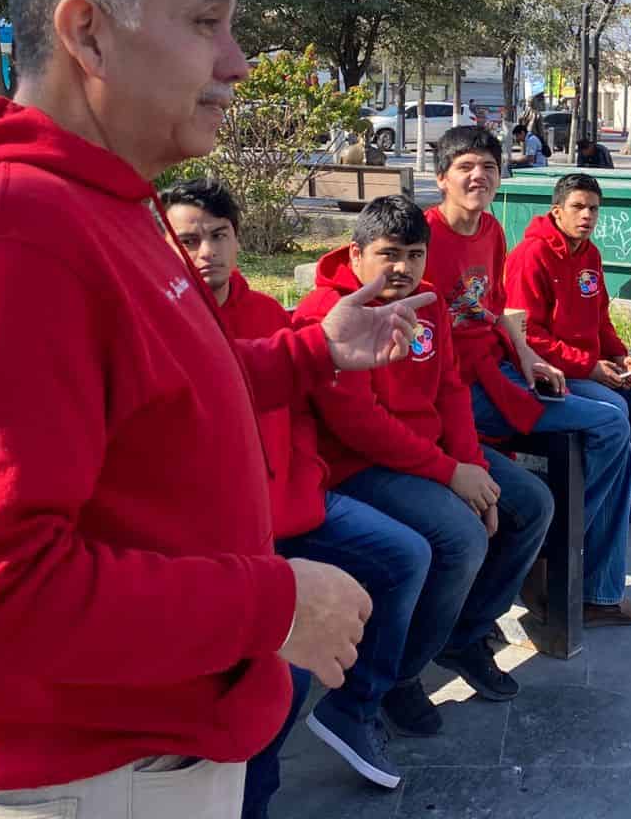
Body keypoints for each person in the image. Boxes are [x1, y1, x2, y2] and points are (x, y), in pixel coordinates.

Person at [0, 0, 430, 818]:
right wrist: (270, 607)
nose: (237, 64)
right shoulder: (15, 234)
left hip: (148, 743)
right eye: (208, 23)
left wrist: (310, 353)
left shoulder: (98, 201)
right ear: (88, 35)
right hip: (100, 769)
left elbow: (147, 395)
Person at [161, 177, 430, 803]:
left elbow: (301, 407)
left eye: (219, 235)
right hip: (227, 534)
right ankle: (256, 789)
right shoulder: (161, 327)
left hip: (300, 501)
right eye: (190, 239)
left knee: (408, 554)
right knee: (276, 680)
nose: (208, 252)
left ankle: (358, 704)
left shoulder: (264, 316)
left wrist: (304, 472)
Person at [295, 196, 555, 738]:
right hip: (357, 467)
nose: (403, 269)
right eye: (389, 255)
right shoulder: (329, 311)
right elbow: (357, 425)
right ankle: (397, 676)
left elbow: (451, 388)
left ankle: (464, 636)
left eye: (415, 255)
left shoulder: (426, 300)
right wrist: (450, 475)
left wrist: (472, 467)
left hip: (429, 456)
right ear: (356, 254)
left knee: (530, 504)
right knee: (461, 539)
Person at [426, 125, 631, 625]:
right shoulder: (425, 237)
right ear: (442, 177)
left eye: (489, 167)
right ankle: (558, 558)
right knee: (611, 421)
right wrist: (550, 358)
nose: (479, 177)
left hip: (499, 371)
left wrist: (531, 357)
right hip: (456, 391)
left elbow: (496, 313)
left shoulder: (491, 231)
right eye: (466, 167)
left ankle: (592, 584)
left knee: (630, 417)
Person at [504, 173, 631, 524]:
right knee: (615, 407)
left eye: (593, 208)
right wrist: (590, 367)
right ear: (557, 211)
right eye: (577, 207)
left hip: (588, 366)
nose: (586, 216)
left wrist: (621, 356)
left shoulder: (589, 253)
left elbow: (600, 318)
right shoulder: (531, 256)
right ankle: (581, 515)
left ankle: (617, 492)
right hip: (546, 372)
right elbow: (527, 337)